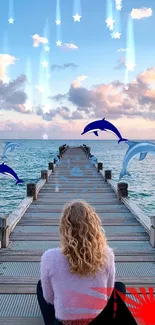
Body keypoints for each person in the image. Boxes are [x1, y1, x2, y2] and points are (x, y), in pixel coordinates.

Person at [37, 200, 126, 325]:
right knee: (119, 286)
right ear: (94, 226)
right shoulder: (107, 254)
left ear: (64, 228)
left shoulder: (49, 257)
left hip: (66, 322)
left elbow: (49, 298)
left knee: (41, 286)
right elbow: (108, 294)